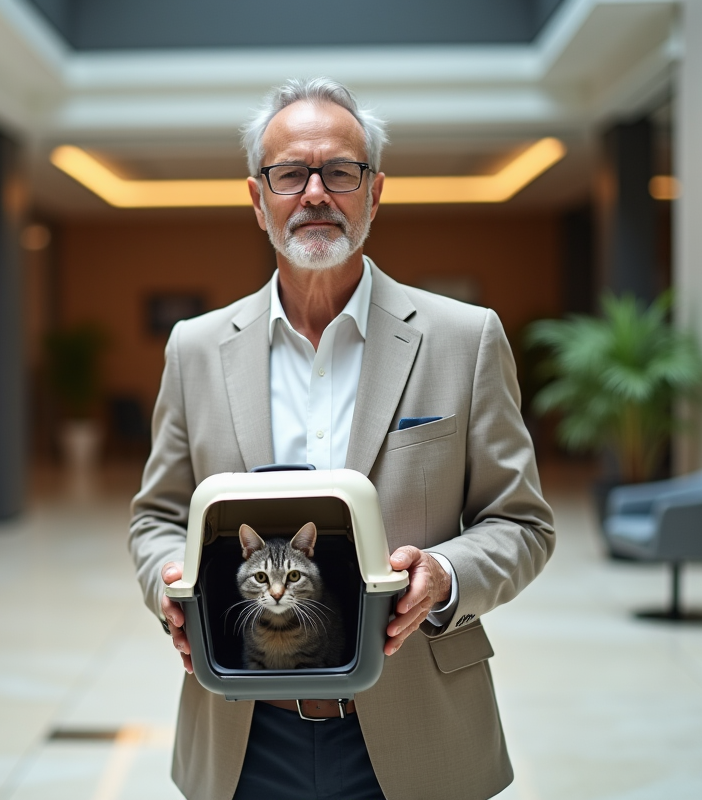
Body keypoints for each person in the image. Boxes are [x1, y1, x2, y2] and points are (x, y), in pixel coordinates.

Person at [128, 77, 555, 800]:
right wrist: (170, 584)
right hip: (241, 731)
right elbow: (157, 519)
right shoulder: (193, 349)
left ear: (375, 192)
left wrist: (445, 577)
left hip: (419, 726)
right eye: (290, 173)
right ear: (257, 199)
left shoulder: (464, 338)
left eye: (341, 172)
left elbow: (522, 524)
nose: (316, 192)